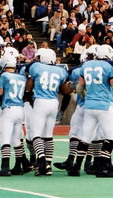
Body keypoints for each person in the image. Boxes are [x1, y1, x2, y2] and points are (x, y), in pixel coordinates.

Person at [68, 45, 113, 177]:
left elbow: (79, 88)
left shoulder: (87, 66)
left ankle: (77, 167)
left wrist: (85, 98)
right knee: (110, 136)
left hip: (95, 105)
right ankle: (104, 166)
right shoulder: (111, 66)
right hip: (105, 104)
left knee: (88, 136)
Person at [24, 48, 71, 176]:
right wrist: (62, 110)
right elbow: (66, 91)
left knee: (35, 134)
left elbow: (29, 86)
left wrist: (27, 96)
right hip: (53, 102)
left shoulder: (36, 67)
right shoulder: (61, 71)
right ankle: (48, 166)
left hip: (41, 101)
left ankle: (42, 161)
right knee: (48, 135)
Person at [0, 56, 32, 176]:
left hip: (9, 109)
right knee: (17, 140)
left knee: (5, 139)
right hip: (20, 110)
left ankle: (5, 167)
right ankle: (18, 167)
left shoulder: (4, 75)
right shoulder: (22, 77)